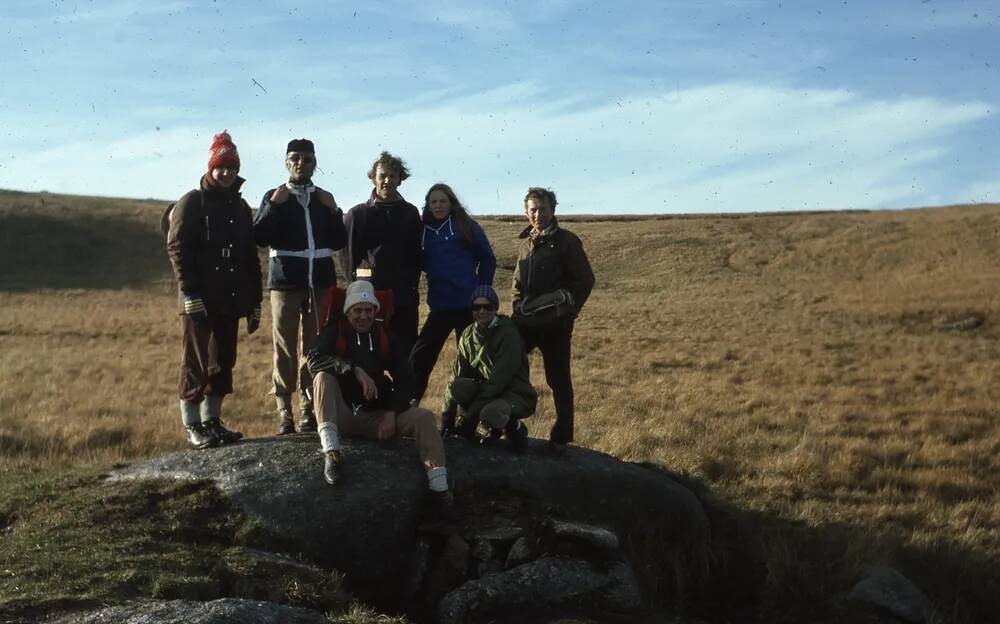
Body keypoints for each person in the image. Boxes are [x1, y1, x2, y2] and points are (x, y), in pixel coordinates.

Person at [305, 281, 453, 510]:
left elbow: (406, 379)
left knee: (424, 418)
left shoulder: (384, 335)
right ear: (348, 311)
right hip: (342, 415)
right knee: (322, 379)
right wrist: (353, 369)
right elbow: (313, 361)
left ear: (375, 310)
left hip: (378, 417)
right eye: (357, 310)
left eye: (368, 310)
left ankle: (439, 490)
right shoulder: (334, 331)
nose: (363, 316)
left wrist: (392, 414)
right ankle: (332, 454)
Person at [166, 130, 262, 449]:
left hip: (230, 298)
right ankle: (192, 425)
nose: (226, 173)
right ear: (210, 168)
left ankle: (212, 422)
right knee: (195, 360)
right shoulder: (192, 202)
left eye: (231, 167)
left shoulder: (241, 207)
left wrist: (254, 302)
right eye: (220, 167)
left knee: (223, 360)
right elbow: (177, 248)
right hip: (199, 299)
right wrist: (189, 292)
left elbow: (249, 258)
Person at [254, 138, 347, 436]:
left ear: (314, 163)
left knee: (315, 346)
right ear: (286, 162)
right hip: (285, 283)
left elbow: (338, 242)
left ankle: (308, 407)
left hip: (319, 283)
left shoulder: (325, 198)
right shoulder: (274, 196)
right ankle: (284, 411)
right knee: (284, 347)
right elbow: (260, 236)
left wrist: (334, 212)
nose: (300, 163)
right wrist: (272, 207)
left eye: (307, 159)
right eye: (294, 158)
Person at [511, 187, 594, 456]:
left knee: (558, 380)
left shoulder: (568, 241)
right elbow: (516, 284)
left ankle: (561, 438)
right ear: (526, 213)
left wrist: (569, 312)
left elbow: (585, 280)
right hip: (526, 324)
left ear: (553, 210)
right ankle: (508, 425)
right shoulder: (526, 244)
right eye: (532, 209)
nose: (538, 214)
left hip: (556, 327)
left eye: (543, 209)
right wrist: (517, 309)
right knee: (508, 368)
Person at [410, 183, 496, 402]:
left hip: (468, 306)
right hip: (440, 306)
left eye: (442, 201)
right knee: (420, 358)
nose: (438, 206)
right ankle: (409, 407)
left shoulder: (465, 226)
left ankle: (467, 418)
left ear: (451, 203)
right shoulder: (422, 231)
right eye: (433, 202)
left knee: (469, 362)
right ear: (428, 206)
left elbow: (487, 258)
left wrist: (482, 291)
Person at [338, 151, 422, 356]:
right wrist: (357, 287)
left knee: (405, 351)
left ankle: (404, 389)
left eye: (392, 176)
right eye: (382, 175)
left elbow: (417, 253)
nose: (387, 180)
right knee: (370, 351)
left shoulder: (411, 213)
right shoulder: (358, 214)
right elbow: (346, 255)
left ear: (400, 179)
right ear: (373, 177)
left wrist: (411, 282)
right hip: (370, 296)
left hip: (404, 297)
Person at [442, 285, 536, 452]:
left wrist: (470, 417)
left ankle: (516, 428)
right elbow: (456, 376)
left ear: (496, 308)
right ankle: (488, 430)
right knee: (458, 387)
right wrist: (447, 417)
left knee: (490, 413)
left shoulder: (508, 334)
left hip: (514, 393)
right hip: (487, 391)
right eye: (477, 307)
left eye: (488, 307)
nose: (482, 311)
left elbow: (498, 381)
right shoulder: (468, 334)